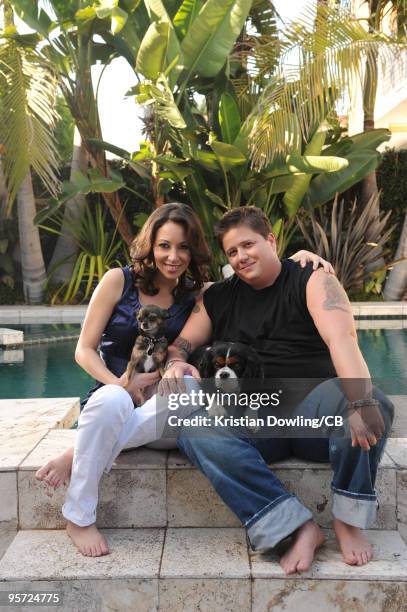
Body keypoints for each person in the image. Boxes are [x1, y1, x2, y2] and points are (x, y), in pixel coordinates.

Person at [35, 202, 330, 557]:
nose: (173, 256)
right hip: (112, 397)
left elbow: (254, 271)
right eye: (165, 245)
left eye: (183, 246)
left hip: (164, 406)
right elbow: (83, 350)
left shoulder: (200, 293)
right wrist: (119, 384)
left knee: (193, 390)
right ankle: (79, 517)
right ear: (151, 245)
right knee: (112, 403)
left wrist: (299, 256)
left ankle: (79, 449)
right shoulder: (118, 280)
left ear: (194, 250)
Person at [160, 206, 394, 576]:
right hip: (256, 417)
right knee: (196, 430)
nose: (241, 257)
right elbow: (181, 344)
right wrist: (176, 361)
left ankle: (348, 520)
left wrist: (359, 400)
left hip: (316, 412)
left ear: (271, 240)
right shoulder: (219, 297)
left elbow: (343, 338)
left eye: (248, 244)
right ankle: (296, 527)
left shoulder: (311, 278)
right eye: (232, 252)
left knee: (374, 400)